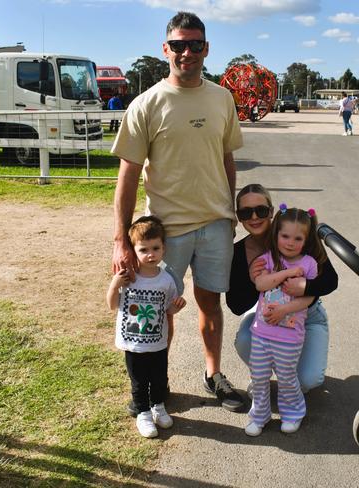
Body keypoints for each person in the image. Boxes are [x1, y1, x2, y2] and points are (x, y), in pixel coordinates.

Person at [110, 11, 246, 413]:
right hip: (166, 232)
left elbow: (227, 159)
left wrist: (231, 211)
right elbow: (127, 176)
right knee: (156, 309)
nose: (187, 52)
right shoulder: (146, 104)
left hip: (215, 225)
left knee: (209, 305)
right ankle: (157, 384)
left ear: (206, 49)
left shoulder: (222, 97)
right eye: (179, 45)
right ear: (165, 49)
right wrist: (121, 240)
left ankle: (213, 374)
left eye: (196, 45)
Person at [227, 184, 338, 394]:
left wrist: (305, 286)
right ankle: (262, 375)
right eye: (245, 212)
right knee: (243, 340)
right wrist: (255, 281)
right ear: (239, 217)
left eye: (260, 210)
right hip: (265, 316)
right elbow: (235, 305)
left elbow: (331, 280)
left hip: (307, 317)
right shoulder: (238, 253)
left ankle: (289, 372)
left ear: (271, 211)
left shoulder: (294, 234)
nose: (254, 217)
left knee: (308, 381)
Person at [245, 205, 323, 436]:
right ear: (276, 233)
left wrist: (284, 310)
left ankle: (293, 413)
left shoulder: (309, 264)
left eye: (297, 238)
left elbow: (308, 298)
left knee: (287, 378)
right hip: (261, 333)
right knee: (258, 377)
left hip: (289, 336)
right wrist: (287, 273)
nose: (290, 242)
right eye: (285, 236)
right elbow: (261, 284)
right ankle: (259, 415)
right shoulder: (268, 259)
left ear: (306, 239)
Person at [107, 216, 187, 438]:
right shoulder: (128, 278)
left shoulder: (166, 280)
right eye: (143, 249)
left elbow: (168, 310)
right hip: (133, 345)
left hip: (158, 343)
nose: (150, 254)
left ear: (164, 249)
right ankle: (142, 413)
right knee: (139, 382)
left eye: (156, 248)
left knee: (159, 378)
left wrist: (177, 306)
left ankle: (158, 407)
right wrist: (115, 284)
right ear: (133, 250)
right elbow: (112, 304)